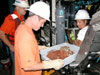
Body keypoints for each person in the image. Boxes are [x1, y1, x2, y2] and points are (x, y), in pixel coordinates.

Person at [15, 1, 64, 75]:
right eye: (42, 22)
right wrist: (50, 64)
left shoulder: (22, 27)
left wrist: (38, 47)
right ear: (35, 17)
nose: (42, 26)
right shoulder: (26, 36)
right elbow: (28, 66)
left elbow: (25, 48)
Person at [0, 0, 29, 74]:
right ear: (17, 7)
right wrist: (10, 46)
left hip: (22, 46)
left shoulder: (21, 17)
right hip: (15, 48)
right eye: (24, 8)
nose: (26, 10)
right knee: (17, 68)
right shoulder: (10, 20)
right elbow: (1, 34)